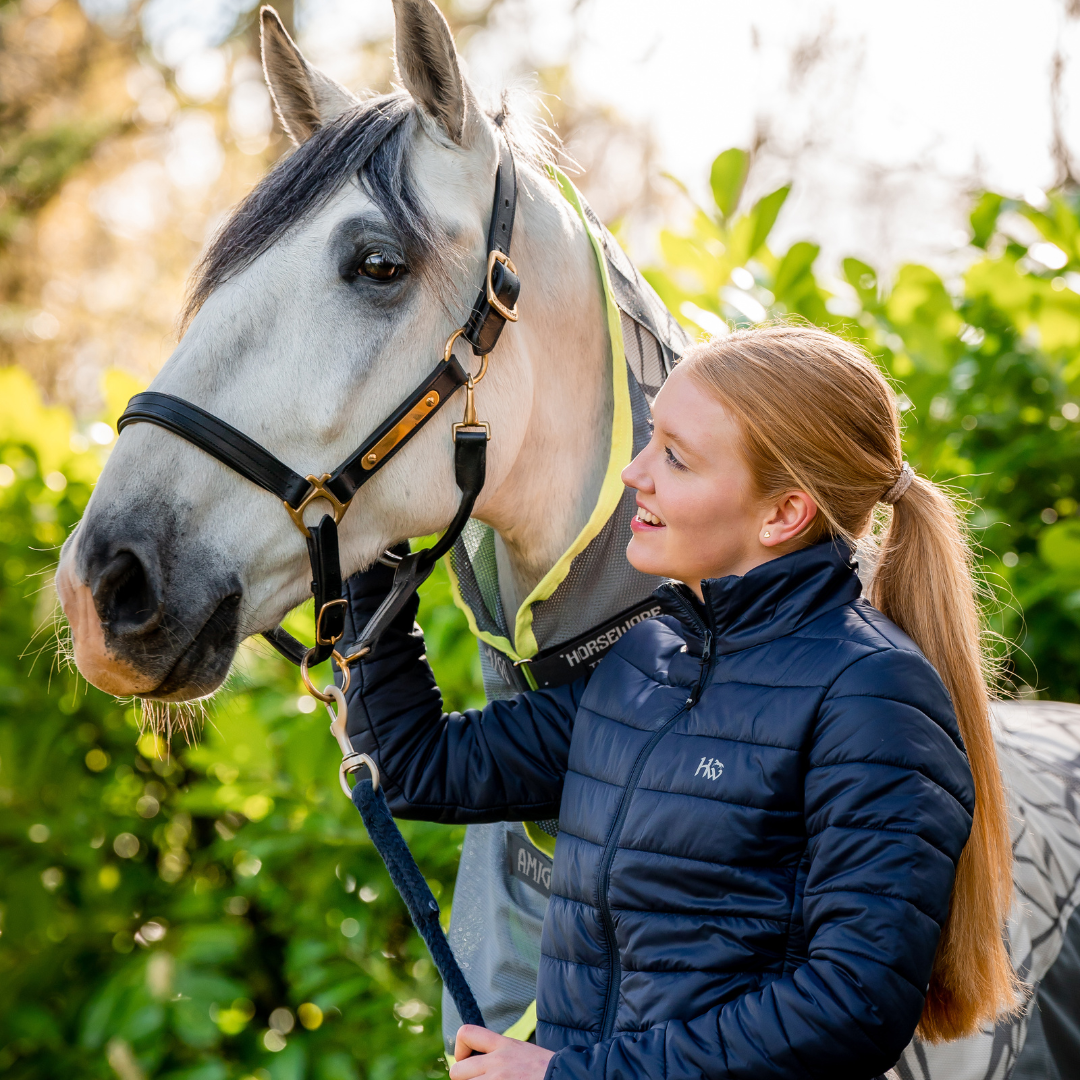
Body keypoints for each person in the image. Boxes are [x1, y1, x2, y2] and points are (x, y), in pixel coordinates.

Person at [339, 324, 1018, 1079]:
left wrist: (563, 1077)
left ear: (782, 514)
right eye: (650, 438)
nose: (635, 474)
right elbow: (411, 765)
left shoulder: (873, 693)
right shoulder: (645, 659)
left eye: (676, 457)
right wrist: (372, 549)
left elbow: (850, 1002)